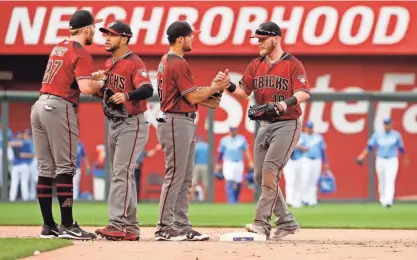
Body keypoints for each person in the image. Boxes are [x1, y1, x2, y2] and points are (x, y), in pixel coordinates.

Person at [217, 21, 311, 240]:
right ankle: (287, 222)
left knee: (270, 169)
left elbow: (304, 92)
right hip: (264, 125)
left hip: (287, 123)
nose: (258, 42)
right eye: (257, 39)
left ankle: (261, 223)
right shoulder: (255, 65)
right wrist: (228, 85)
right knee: (261, 175)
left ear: (276, 39)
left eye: (262, 39)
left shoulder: (292, 63)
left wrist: (284, 104)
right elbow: (243, 92)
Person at [30, 10, 104, 240]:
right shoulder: (80, 51)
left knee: (45, 169)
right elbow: (86, 89)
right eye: (93, 27)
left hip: (40, 106)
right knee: (65, 168)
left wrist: (92, 77)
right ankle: (68, 224)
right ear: (86, 29)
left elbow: (70, 76)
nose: (94, 30)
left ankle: (48, 225)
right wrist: (101, 82)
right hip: (59, 107)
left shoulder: (59, 46)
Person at [155, 20, 229, 241]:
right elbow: (193, 96)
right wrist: (215, 88)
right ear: (181, 39)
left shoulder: (169, 60)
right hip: (176, 121)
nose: (192, 39)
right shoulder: (177, 62)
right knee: (175, 176)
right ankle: (164, 227)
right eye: (190, 36)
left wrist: (211, 90)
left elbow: (189, 94)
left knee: (185, 178)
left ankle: (181, 224)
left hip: (181, 119)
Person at [94, 21, 153, 242]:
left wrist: (127, 95)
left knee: (121, 174)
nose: (106, 38)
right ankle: (131, 228)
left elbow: (148, 88)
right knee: (123, 175)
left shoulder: (134, 63)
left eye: (111, 35)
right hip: (115, 123)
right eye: (106, 35)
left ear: (125, 39)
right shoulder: (109, 63)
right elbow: (105, 93)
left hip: (132, 123)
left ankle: (117, 224)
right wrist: (99, 84)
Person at [356, 118, 409, 208]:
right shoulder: (378, 135)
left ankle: (388, 201)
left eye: (388, 124)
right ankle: (383, 199)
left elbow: (401, 148)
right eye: (385, 124)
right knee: (382, 180)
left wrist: (405, 157)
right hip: (381, 159)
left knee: (390, 180)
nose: (387, 125)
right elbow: (369, 146)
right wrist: (362, 155)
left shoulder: (396, 135)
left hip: (392, 159)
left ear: (391, 125)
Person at [215, 126, 253, 204]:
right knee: (229, 180)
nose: (233, 131)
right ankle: (231, 202)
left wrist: (250, 162)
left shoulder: (241, 139)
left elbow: (246, 151)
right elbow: (220, 153)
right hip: (228, 162)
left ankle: (236, 200)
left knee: (238, 182)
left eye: (234, 130)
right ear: (229, 130)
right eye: (232, 130)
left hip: (239, 162)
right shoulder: (224, 140)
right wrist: (218, 163)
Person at [300, 121, 329, 206]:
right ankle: (304, 198)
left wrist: (325, 162)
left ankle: (312, 199)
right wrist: (302, 148)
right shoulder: (303, 137)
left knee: (314, 180)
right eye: (308, 127)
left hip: (317, 160)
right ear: (305, 128)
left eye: (311, 127)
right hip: (306, 159)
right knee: (305, 179)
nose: (309, 129)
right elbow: (297, 146)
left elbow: (323, 151)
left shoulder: (318, 137)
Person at [9, 131, 34, 201]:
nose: (20, 136)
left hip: (24, 164)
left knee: (24, 182)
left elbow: (33, 154)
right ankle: (12, 199)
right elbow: (10, 144)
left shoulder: (28, 142)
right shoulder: (15, 141)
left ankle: (25, 199)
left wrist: (23, 155)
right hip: (15, 165)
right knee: (14, 182)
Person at [283, 131, 306, 208]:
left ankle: (298, 200)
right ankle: (289, 200)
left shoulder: (302, 137)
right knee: (290, 180)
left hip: (299, 160)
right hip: (288, 160)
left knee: (298, 181)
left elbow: (307, 148)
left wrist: (297, 146)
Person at [191, 136, 209, 201]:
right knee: (205, 184)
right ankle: (204, 200)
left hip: (196, 166)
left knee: (193, 184)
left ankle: (193, 200)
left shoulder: (196, 146)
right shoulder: (207, 146)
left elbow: (192, 158)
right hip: (205, 166)